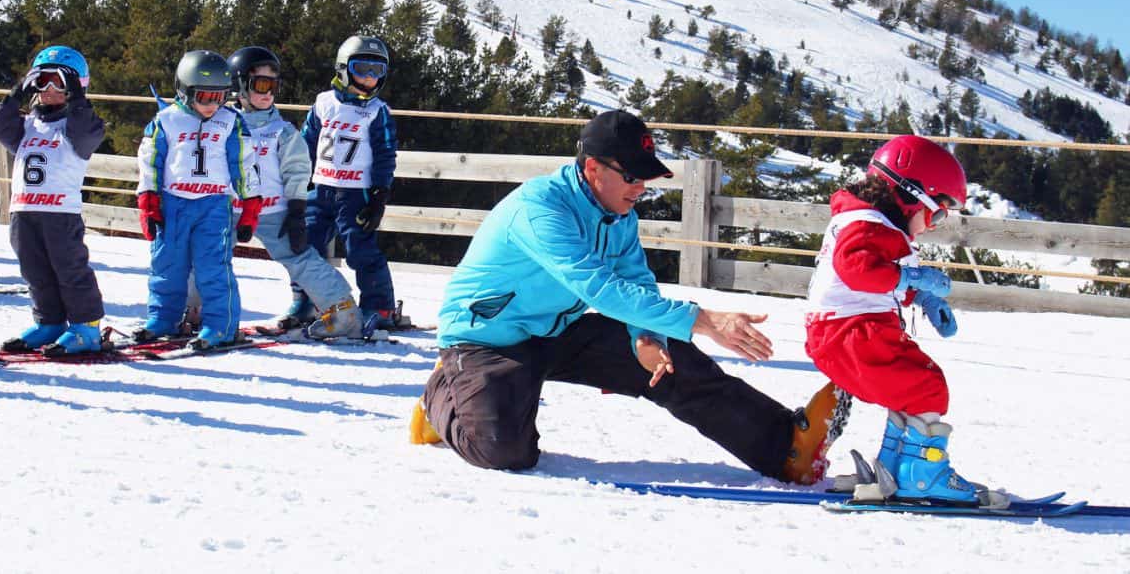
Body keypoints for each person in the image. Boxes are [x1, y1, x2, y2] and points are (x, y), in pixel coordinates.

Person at [414, 110, 843, 484]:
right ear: (593, 168)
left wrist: (645, 338)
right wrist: (706, 320)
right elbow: (597, 286)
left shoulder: (618, 216)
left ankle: (786, 446)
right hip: (489, 340)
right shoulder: (541, 209)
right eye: (632, 176)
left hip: (559, 330)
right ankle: (442, 396)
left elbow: (635, 283)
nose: (640, 188)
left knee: (671, 359)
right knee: (505, 452)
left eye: (646, 178)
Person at [804, 134, 1004, 506]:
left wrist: (921, 296)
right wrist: (912, 278)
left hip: (839, 332)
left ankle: (894, 470)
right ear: (911, 195)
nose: (936, 223)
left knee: (909, 391)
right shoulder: (868, 225)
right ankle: (922, 477)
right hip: (852, 332)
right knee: (927, 387)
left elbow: (879, 278)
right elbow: (859, 271)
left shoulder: (869, 223)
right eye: (939, 211)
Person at [228, 46, 363, 339]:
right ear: (239, 86)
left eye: (274, 86)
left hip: (273, 210)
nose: (269, 93)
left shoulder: (281, 131)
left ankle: (342, 311)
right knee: (206, 256)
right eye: (261, 85)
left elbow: (298, 171)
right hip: (229, 210)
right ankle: (198, 311)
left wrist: (297, 212)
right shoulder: (222, 125)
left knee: (300, 257)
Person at [134, 50, 262, 350]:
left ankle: (221, 325)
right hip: (173, 203)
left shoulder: (231, 122)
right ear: (184, 90)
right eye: (204, 97)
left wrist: (250, 209)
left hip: (213, 205)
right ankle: (162, 319)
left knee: (213, 268)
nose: (212, 105)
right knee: (166, 265)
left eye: (219, 98)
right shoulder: (166, 120)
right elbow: (150, 162)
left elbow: (243, 165)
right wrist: (149, 203)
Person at [0, 46, 107, 355]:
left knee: (69, 270)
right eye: (42, 81)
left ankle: (86, 327)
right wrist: (15, 94)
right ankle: (49, 322)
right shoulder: (27, 126)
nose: (50, 90)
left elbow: (88, 134)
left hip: (60, 213)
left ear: (74, 87)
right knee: (35, 271)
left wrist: (79, 100)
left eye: (59, 83)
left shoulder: (75, 126)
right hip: (24, 211)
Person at [298, 35, 400, 328]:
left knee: (360, 248)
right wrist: (299, 174)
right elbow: (308, 141)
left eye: (377, 71)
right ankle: (308, 300)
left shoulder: (377, 111)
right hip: (320, 187)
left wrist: (380, 193)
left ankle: (379, 306)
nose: (369, 78)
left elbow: (385, 153)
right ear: (343, 68)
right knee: (308, 244)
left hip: (357, 192)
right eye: (361, 69)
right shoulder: (323, 103)